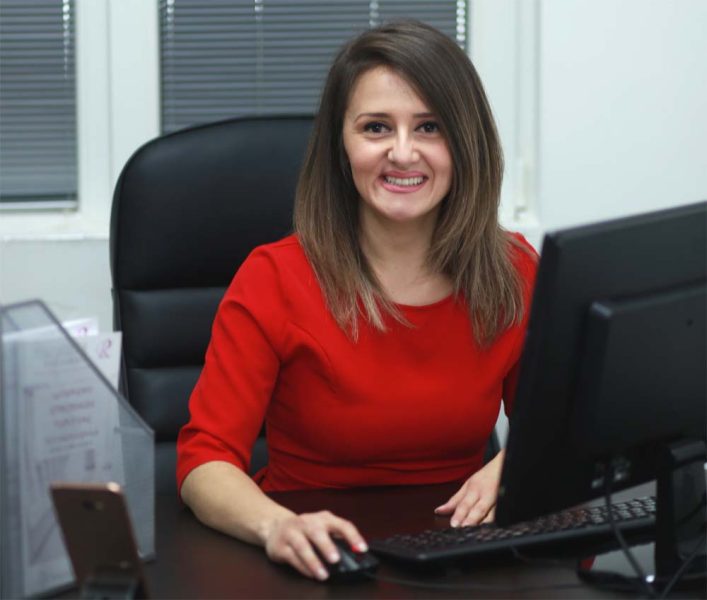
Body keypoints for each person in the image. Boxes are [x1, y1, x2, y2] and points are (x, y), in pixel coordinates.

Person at [177, 20, 537, 581]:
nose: (403, 152)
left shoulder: (513, 271)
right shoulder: (274, 278)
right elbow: (205, 461)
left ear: (466, 143)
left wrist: (519, 464)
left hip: (459, 557)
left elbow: (557, 427)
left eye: (430, 127)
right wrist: (276, 527)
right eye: (375, 127)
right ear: (340, 146)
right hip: (317, 558)